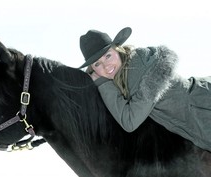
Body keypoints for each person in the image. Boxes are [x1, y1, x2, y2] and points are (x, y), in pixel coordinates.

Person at [79, 27, 211, 152]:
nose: (106, 66)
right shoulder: (123, 74)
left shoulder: (138, 73)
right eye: (97, 64)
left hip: (203, 110)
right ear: (93, 70)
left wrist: (102, 83)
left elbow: (129, 121)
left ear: (117, 50)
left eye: (108, 56)